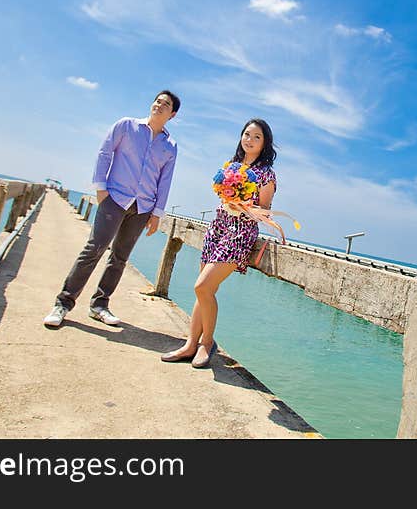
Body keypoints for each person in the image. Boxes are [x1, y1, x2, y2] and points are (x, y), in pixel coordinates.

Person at [43, 90, 180, 328]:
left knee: (120, 258)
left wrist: (157, 212)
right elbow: (105, 152)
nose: (158, 105)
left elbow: (165, 180)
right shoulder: (126, 126)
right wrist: (100, 188)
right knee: (94, 249)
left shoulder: (170, 146)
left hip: (142, 207)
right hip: (115, 198)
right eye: (157, 101)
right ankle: (63, 303)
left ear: (173, 114)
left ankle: (99, 305)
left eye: (165, 104)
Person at [161, 118, 277, 368]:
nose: (250, 140)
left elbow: (266, 211)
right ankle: (190, 344)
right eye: (247, 134)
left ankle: (207, 343)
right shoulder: (231, 166)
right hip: (218, 227)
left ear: (264, 142)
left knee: (202, 287)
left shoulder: (267, 173)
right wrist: (229, 197)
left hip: (240, 232)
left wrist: (244, 205)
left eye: (257, 137)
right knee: (205, 291)